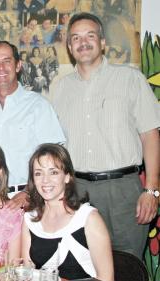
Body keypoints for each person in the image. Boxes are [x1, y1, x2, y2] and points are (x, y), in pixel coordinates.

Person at [50, 12, 160, 260]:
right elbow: (56, 147)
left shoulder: (130, 79)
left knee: (128, 267)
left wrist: (152, 191)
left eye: (90, 35)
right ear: (69, 47)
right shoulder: (61, 89)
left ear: (102, 43)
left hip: (124, 191)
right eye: (76, 38)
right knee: (83, 268)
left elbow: (151, 135)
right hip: (77, 191)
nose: (83, 42)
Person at [0, 41, 65, 210]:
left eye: (7, 61)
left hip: (29, 200)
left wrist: (29, 193)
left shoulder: (38, 105)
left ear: (18, 65)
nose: (1, 68)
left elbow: (54, 157)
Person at [22, 143, 114, 281]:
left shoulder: (88, 218)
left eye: (53, 172)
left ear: (67, 177)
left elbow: (106, 280)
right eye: (38, 173)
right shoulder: (30, 219)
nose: (45, 180)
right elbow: (28, 276)